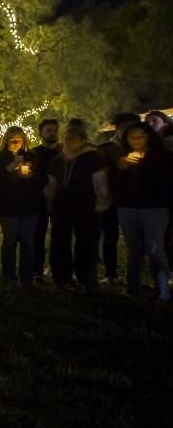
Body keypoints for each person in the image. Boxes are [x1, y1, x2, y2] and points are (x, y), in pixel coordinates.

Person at [45, 122, 110, 293]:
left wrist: (101, 202)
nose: (68, 142)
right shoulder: (57, 160)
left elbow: (100, 181)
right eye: (66, 138)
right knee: (59, 243)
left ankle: (86, 279)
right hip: (61, 208)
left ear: (82, 141)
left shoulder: (92, 158)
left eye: (73, 139)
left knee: (86, 244)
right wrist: (50, 203)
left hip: (86, 207)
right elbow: (52, 184)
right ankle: (62, 278)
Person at [114, 121, 173, 301]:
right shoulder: (123, 157)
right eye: (132, 137)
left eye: (140, 136)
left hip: (155, 208)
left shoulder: (162, 157)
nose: (136, 140)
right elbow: (114, 183)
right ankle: (132, 288)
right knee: (134, 250)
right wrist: (121, 166)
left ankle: (163, 288)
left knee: (155, 249)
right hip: (128, 208)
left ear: (149, 136)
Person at [0, 127, 41, 287]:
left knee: (28, 241)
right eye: (12, 139)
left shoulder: (31, 156)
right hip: (8, 206)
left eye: (20, 139)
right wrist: (10, 168)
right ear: (6, 141)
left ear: (24, 140)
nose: (16, 142)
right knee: (10, 240)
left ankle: (27, 278)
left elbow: (40, 179)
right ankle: (9, 276)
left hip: (30, 205)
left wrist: (30, 176)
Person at [97, 112, 140, 285]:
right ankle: (111, 272)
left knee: (137, 238)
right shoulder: (107, 148)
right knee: (110, 236)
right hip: (112, 199)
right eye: (125, 127)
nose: (129, 131)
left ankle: (135, 274)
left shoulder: (142, 146)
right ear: (117, 128)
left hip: (135, 199)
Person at [31, 118, 60, 283]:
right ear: (41, 133)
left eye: (54, 130)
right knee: (38, 236)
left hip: (59, 200)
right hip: (39, 200)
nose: (52, 133)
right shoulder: (35, 153)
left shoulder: (62, 152)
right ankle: (37, 270)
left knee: (59, 236)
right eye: (48, 130)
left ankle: (57, 269)